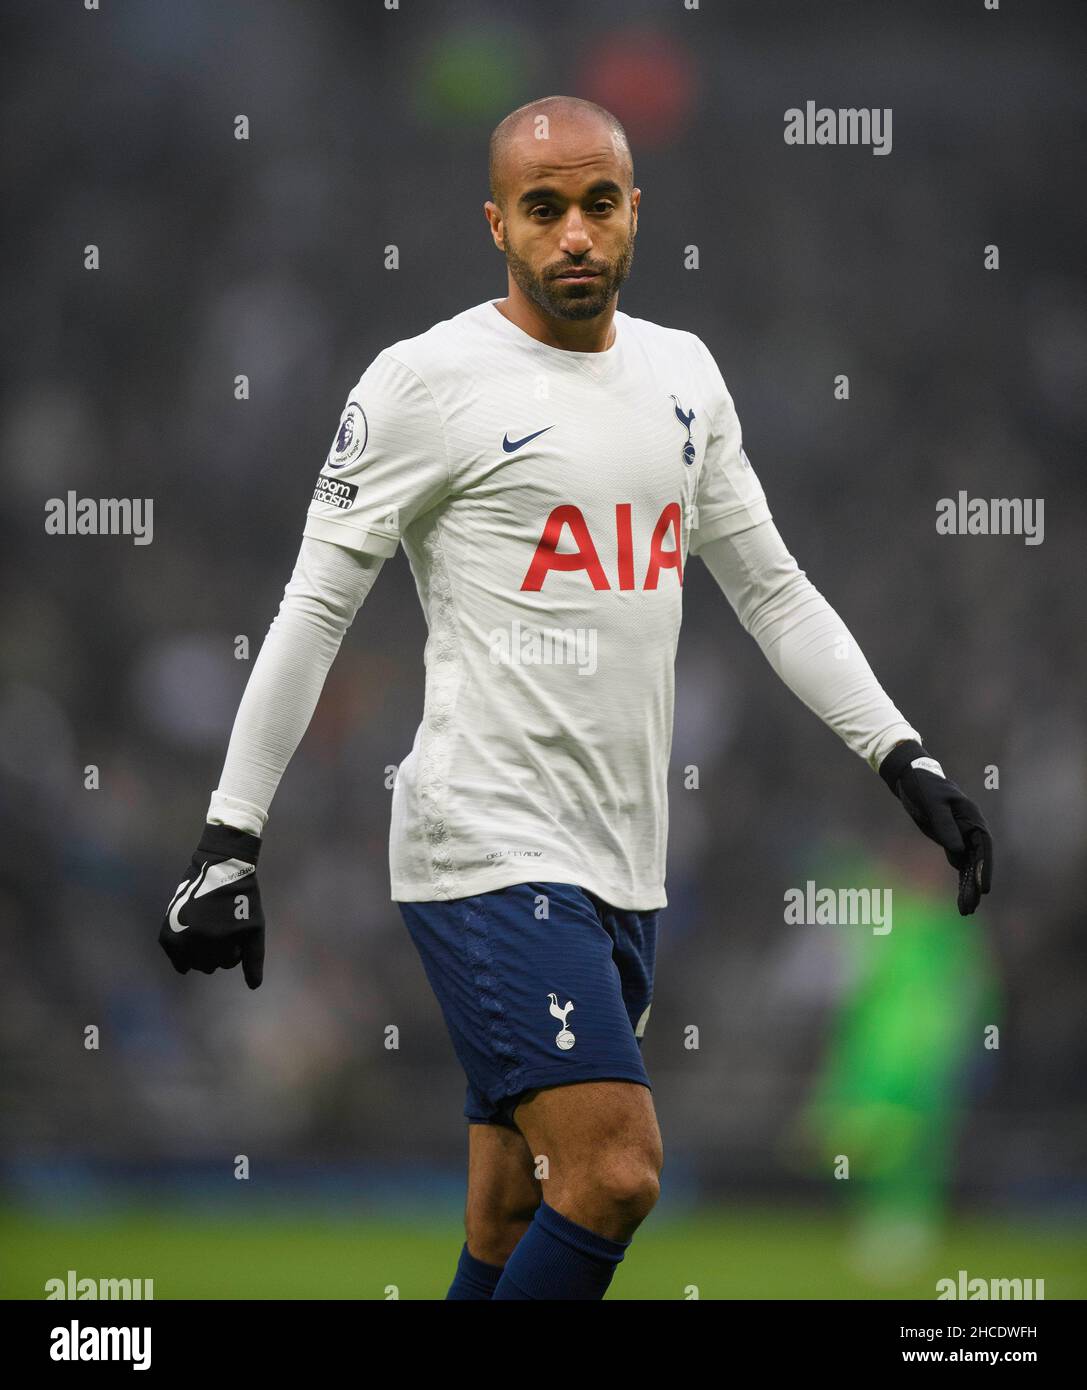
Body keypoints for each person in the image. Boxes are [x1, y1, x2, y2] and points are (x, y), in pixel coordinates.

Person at [159, 95, 992, 1300]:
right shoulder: (424, 382)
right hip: (483, 842)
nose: (575, 236)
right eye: (542, 209)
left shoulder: (684, 377)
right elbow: (312, 609)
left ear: (634, 211)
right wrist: (230, 837)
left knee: (508, 1216)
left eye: (599, 204)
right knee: (613, 1171)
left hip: (623, 865)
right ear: (495, 222)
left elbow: (774, 590)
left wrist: (902, 757)